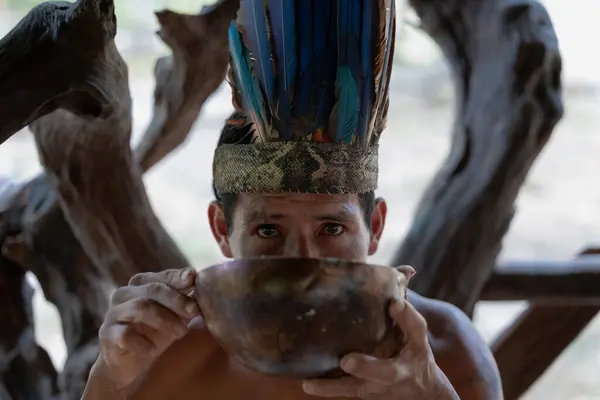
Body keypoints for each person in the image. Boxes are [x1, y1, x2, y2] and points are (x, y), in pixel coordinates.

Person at [83, 1, 503, 399]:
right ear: (222, 231)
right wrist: (109, 381)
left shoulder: (446, 353)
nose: (303, 260)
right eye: (268, 229)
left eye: (332, 228)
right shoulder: (162, 359)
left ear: (374, 227)